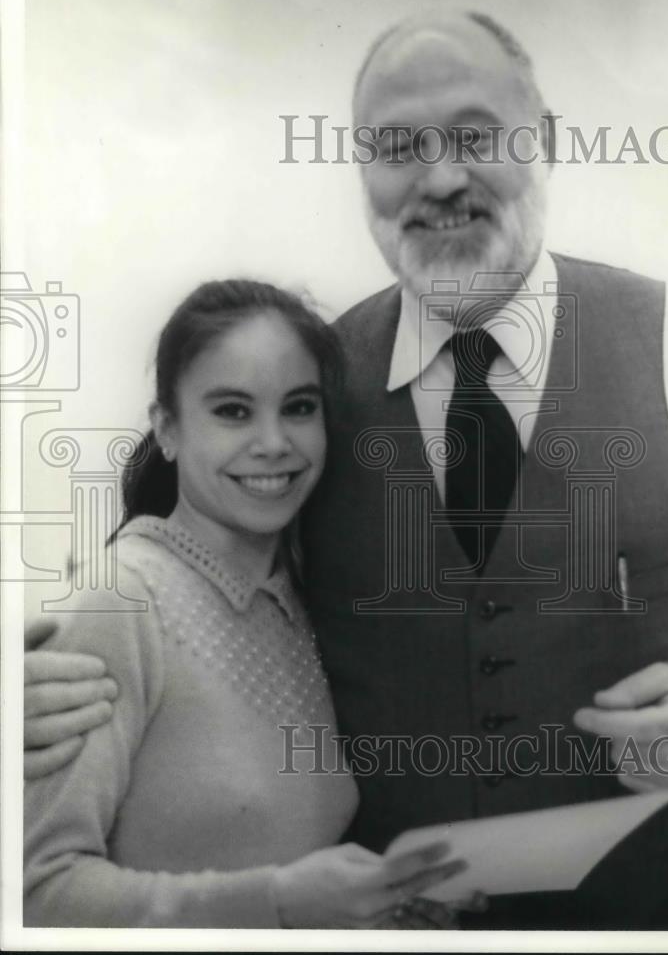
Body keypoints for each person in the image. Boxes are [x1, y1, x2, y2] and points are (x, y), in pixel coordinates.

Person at [24, 12, 668, 929]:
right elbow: (196, 581)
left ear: (550, 142)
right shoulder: (311, 389)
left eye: (476, 135)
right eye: (398, 146)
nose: (440, 177)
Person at [23, 279, 467, 928]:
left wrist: (380, 907)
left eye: (298, 407)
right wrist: (279, 902)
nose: (273, 443)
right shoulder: (119, 602)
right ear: (168, 429)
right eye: (232, 411)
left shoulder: (310, 602)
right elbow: (36, 896)